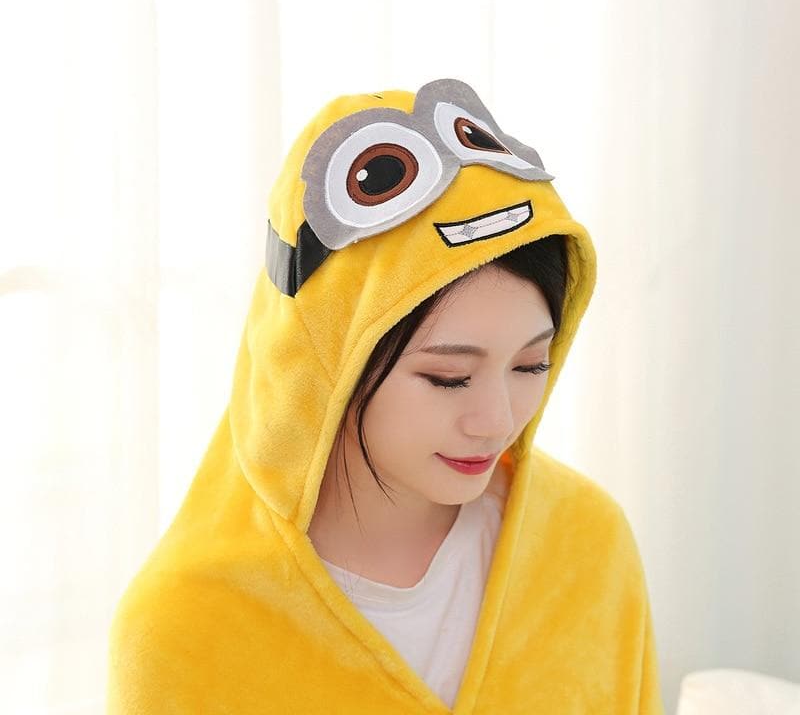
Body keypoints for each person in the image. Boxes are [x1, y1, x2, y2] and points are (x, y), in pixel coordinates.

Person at [106, 78, 665, 713]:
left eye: (530, 365)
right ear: (328, 358)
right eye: (448, 377)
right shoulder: (186, 626)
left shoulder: (587, 543)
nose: (496, 421)